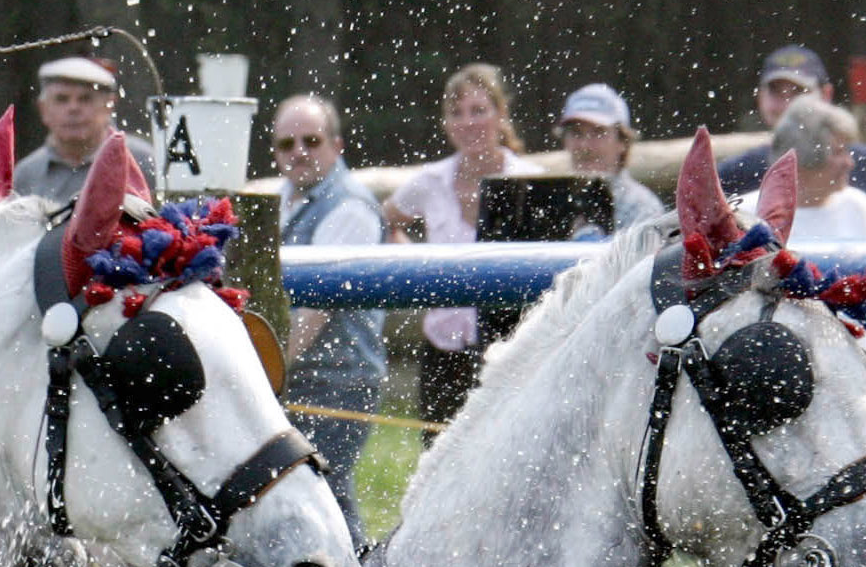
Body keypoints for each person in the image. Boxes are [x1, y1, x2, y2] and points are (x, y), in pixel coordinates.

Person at [384, 63, 540, 429]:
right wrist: (417, 264)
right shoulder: (430, 181)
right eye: (457, 113)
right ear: (446, 124)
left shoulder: (527, 181)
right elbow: (384, 220)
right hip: (443, 350)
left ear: (501, 114)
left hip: (511, 348)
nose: (468, 123)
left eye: (479, 111)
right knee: (438, 453)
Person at [272, 93, 385, 539]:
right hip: (305, 375)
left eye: (311, 140)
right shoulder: (286, 198)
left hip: (340, 379)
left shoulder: (349, 206)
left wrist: (268, 370)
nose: (298, 152)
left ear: (336, 146)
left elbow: (313, 313)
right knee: (301, 493)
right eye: (286, 144)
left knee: (326, 491)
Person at [716, 46, 866, 235]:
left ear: (826, 95)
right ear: (760, 97)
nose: (787, 103)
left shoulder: (865, 165)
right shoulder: (741, 171)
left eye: (799, 91)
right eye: (776, 92)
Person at [743, 96, 866, 243]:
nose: (849, 163)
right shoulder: (749, 216)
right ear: (803, 159)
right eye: (837, 152)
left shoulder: (861, 208)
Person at [10, 55, 153, 207]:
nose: (73, 108)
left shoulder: (143, 161)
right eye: (61, 99)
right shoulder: (25, 175)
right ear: (43, 109)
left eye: (85, 99)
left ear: (109, 106)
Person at [556, 83, 666, 232]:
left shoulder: (641, 208)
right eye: (576, 133)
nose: (585, 145)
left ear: (623, 142)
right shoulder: (552, 203)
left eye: (598, 132)